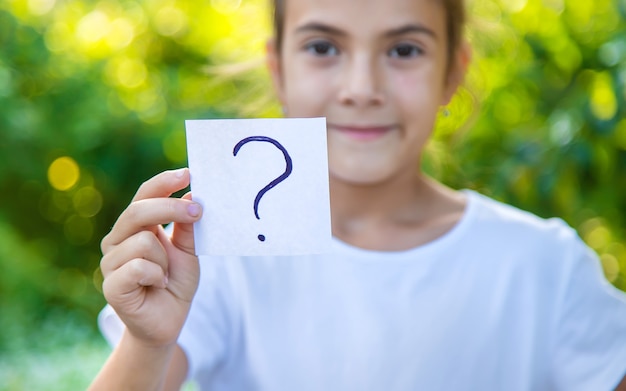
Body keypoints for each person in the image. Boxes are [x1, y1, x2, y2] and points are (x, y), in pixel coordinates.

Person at [89, 0, 626, 389]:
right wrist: (149, 341)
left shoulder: (547, 266)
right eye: (323, 47)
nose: (362, 87)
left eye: (404, 49)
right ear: (278, 69)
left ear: (451, 74)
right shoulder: (215, 255)